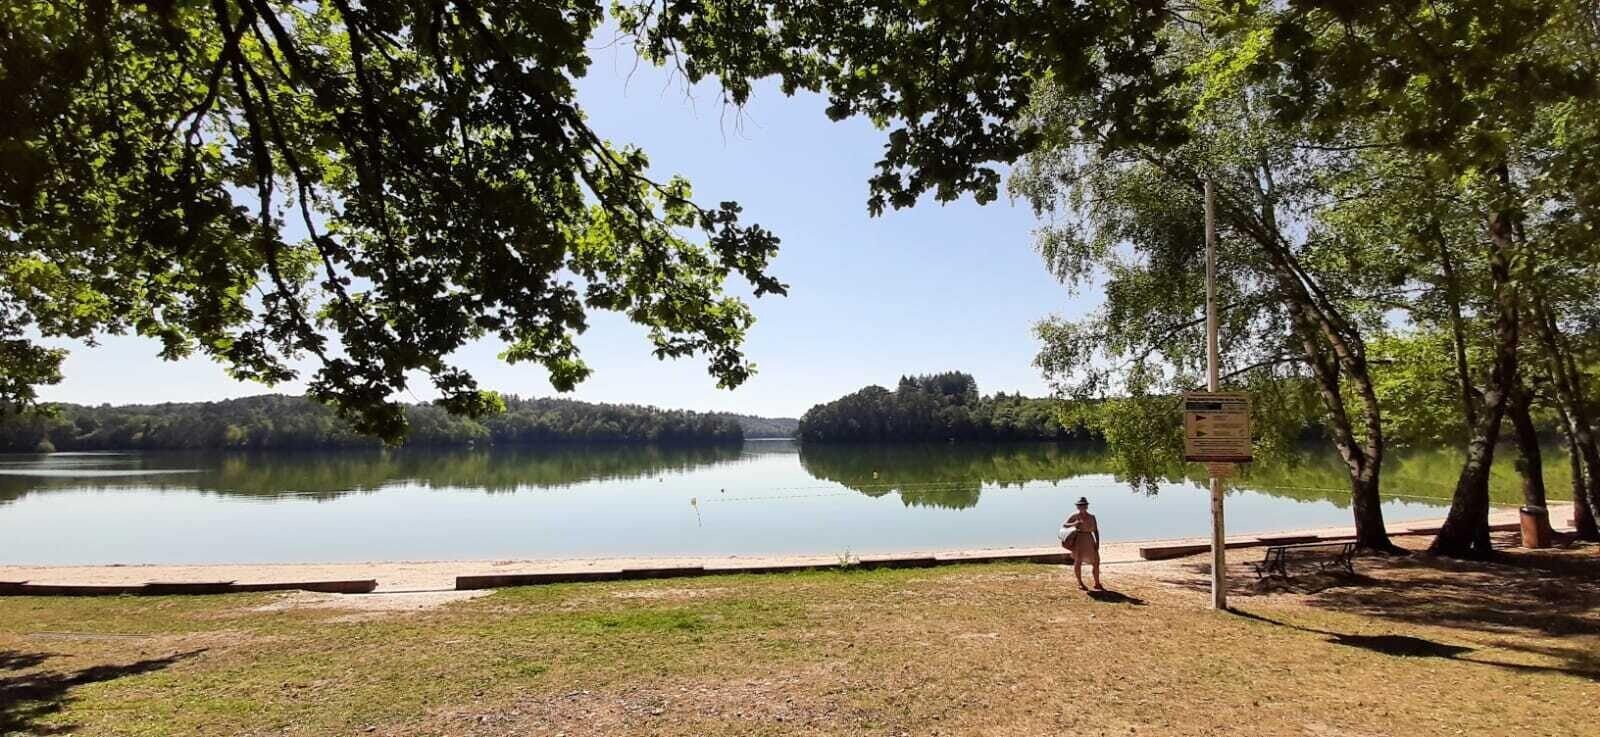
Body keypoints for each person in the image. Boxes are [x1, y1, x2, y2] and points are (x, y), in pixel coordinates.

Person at [1062, 496, 1102, 590]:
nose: (1082, 507)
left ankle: (1097, 583)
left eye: (1084, 505)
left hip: (1089, 539)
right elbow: (1064, 525)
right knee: (1078, 561)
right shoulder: (1074, 516)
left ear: (1087, 506)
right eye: (1080, 505)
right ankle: (1080, 583)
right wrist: (1074, 523)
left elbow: (1096, 530)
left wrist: (1097, 542)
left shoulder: (1092, 517)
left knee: (1096, 561)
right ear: (1077, 506)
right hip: (1079, 539)